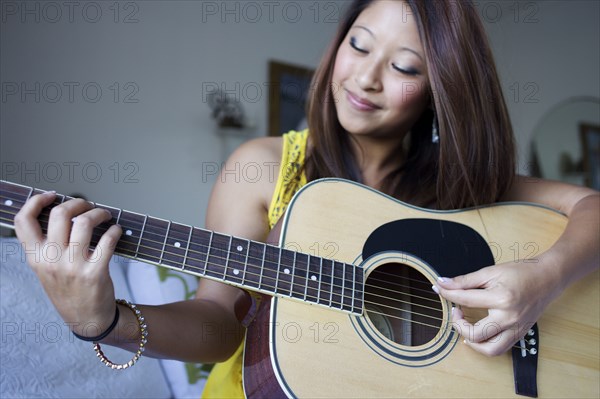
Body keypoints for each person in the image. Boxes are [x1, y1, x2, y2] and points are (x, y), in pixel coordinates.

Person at [14, 0, 599, 397]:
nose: (365, 78)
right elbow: (219, 326)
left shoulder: (466, 187)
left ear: (440, 94)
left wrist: (544, 277)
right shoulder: (262, 168)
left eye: (403, 66)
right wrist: (103, 321)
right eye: (358, 45)